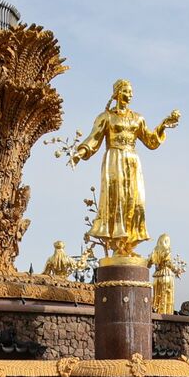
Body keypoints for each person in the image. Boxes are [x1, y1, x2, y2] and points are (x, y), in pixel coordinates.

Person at [70, 79, 179, 258]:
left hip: (133, 162)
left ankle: (129, 244)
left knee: (136, 202)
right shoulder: (106, 117)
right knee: (116, 199)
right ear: (117, 93)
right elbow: (94, 138)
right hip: (114, 159)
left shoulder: (138, 118)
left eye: (131, 92)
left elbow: (151, 141)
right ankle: (119, 244)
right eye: (127, 91)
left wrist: (163, 125)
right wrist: (80, 153)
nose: (130, 95)